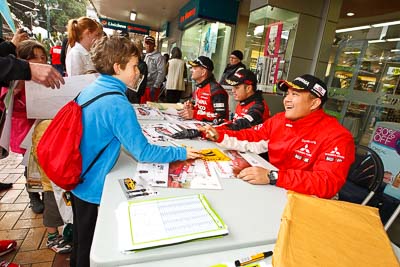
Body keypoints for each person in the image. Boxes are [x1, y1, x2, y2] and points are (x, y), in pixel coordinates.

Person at [70, 35, 200, 267]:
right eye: (133, 66)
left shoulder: (95, 88)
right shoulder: (117, 102)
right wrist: (181, 152)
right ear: (117, 67)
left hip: (78, 177)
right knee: (89, 248)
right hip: (91, 184)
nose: (138, 71)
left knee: (80, 240)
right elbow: (144, 152)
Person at [202, 74, 355, 199]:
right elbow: (252, 136)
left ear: (314, 103)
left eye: (295, 94)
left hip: (309, 202)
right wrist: (219, 135)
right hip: (276, 189)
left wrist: (274, 176)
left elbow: (326, 184)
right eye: (287, 94)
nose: (286, 99)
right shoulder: (279, 120)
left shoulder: (338, 136)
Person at [31, 120, 72, 253]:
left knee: (65, 204)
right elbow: (42, 152)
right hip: (52, 180)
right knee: (53, 208)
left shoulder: (59, 118)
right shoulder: (45, 125)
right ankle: (52, 238)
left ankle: (67, 232)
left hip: (61, 178)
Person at [178, 56, 229, 124]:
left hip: (213, 131)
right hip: (200, 126)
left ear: (203, 72)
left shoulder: (216, 91)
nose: (191, 70)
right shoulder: (200, 87)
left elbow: (221, 117)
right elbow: (202, 109)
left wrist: (194, 114)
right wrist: (191, 108)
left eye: (195, 68)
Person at [141, 36, 165, 103]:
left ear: (154, 45)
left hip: (152, 87)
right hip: (144, 86)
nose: (148, 46)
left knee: (151, 107)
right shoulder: (146, 55)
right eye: (146, 44)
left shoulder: (159, 57)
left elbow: (161, 72)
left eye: (150, 44)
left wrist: (155, 86)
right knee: (143, 106)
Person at [125, 39, 148, 104]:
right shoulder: (143, 65)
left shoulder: (127, 61)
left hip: (127, 92)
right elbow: (142, 84)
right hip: (134, 94)